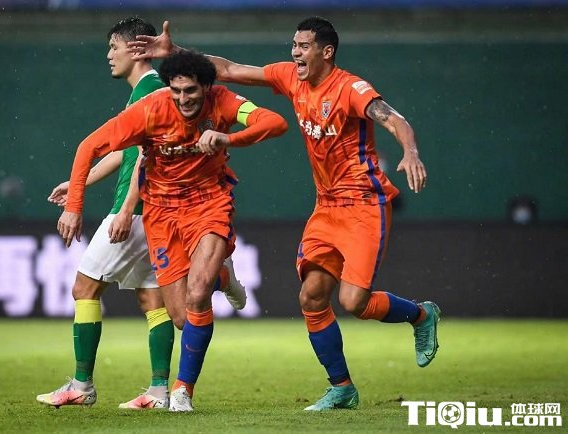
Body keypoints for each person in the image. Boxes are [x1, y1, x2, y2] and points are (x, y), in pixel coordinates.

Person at [130, 17, 441, 411]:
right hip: (326, 207)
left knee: (354, 302)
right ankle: (342, 388)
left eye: (303, 46)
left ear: (326, 51)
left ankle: (420, 316)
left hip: (365, 204)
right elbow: (228, 69)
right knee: (311, 297)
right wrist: (175, 53)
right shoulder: (291, 78)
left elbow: (393, 119)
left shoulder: (350, 88)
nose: (295, 52)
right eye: (294, 45)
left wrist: (410, 152)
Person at [56, 49, 288, 412]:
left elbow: (274, 122)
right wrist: (74, 206)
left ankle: (182, 390)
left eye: (191, 91)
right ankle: (222, 276)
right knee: (181, 317)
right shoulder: (150, 109)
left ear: (207, 87)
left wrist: (227, 139)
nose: (183, 99)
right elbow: (89, 147)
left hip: (210, 204)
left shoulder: (224, 100)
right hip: (162, 216)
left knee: (197, 294)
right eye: (176, 91)